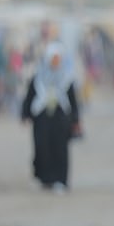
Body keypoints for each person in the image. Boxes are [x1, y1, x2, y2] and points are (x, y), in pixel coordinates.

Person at [21, 42, 80, 193]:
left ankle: (60, 180)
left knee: (60, 151)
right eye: (53, 58)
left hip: (60, 120)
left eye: (57, 58)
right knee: (42, 149)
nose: (55, 61)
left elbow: (73, 102)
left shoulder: (67, 78)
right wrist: (25, 114)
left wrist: (75, 120)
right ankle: (45, 179)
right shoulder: (38, 77)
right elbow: (29, 97)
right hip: (42, 120)